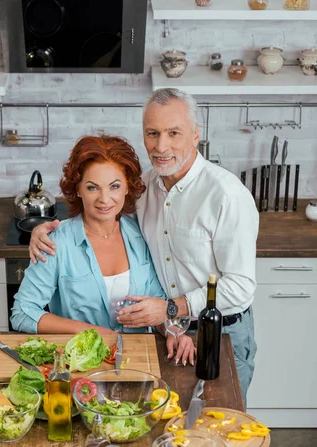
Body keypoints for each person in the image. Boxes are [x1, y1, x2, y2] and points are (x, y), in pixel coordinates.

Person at [29, 89, 259, 404]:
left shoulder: (226, 195)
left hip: (219, 333)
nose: (161, 146)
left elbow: (242, 287)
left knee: (221, 425)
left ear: (195, 135)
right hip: (168, 335)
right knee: (170, 427)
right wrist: (44, 230)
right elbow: (101, 210)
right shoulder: (144, 189)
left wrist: (169, 309)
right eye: (152, 133)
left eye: (173, 133)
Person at [11, 133, 196, 365]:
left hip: (135, 362)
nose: (104, 199)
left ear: (127, 187)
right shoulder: (57, 242)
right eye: (92, 188)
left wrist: (173, 331)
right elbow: (23, 312)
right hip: (77, 366)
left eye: (114, 186)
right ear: (77, 189)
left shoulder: (142, 234)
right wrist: (91, 331)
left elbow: (156, 305)